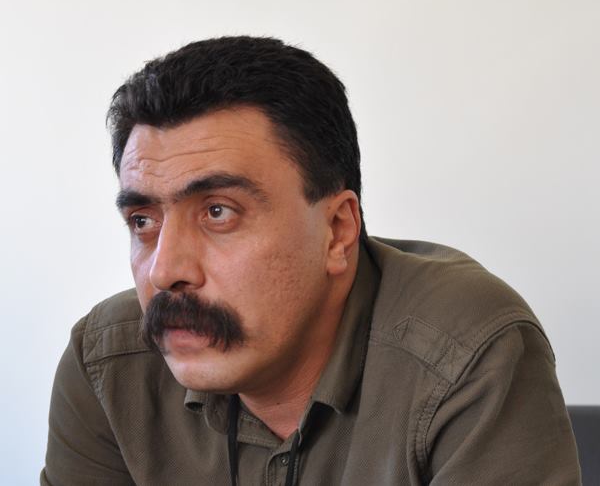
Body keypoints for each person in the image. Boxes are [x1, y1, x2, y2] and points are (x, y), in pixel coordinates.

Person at [41, 36, 580, 485]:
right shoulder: (107, 364)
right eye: (143, 221)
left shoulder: (464, 352)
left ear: (338, 230)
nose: (164, 271)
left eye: (218, 212)